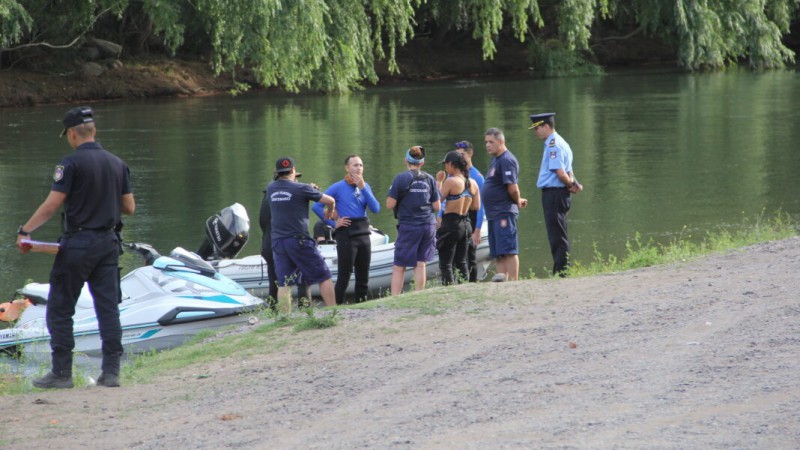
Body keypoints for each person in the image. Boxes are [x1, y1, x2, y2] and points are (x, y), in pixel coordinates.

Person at [16, 106, 135, 389]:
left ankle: (61, 373)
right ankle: (112, 372)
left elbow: (52, 205)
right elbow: (129, 207)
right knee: (108, 309)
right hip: (108, 244)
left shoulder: (69, 165)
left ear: (72, 134)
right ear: (93, 131)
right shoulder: (118, 163)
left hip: (78, 244)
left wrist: (26, 230)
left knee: (60, 308)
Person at [267, 157, 336, 313]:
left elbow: (288, 193)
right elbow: (330, 200)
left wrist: (307, 189)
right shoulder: (302, 189)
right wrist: (330, 210)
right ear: (293, 171)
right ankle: (333, 312)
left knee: (284, 283)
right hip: (299, 241)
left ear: (277, 173)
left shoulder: (271, 188)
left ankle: (285, 319)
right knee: (324, 275)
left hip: (278, 242)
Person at [312, 155, 380, 304]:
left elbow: (375, 208)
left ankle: (361, 306)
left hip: (363, 234)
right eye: (355, 165)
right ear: (347, 168)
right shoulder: (338, 187)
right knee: (344, 275)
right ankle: (336, 308)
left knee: (363, 276)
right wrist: (333, 223)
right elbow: (316, 206)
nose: (359, 168)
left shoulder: (364, 187)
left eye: (361, 165)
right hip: (346, 235)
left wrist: (363, 188)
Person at [530, 112, 583, 276]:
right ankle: (561, 270)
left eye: (537, 128)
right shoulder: (561, 142)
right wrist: (573, 183)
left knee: (557, 236)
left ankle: (562, 272)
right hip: (558, 193)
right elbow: (569, 170)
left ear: (546, 126)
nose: (535, 132)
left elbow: (560, 172)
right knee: (559, 233)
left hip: (554, 194)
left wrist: (569, 185)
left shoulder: (553, 145)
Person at [386, 146, 440, 296]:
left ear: (406, 161)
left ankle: (395, 298)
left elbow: (390, 204)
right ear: (422, 163)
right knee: (420, 262)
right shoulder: (429, 179)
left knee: (399, 265)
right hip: (428, 225)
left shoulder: (401, 178)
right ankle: (419, 295)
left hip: (409, 225)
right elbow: (437, 206)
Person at [480, 127, 527, 282]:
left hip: (504, 212)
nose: (487, 145)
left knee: (509, 249)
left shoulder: (507, 160)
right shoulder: (496, 159)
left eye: (491, 142)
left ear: (501, 142)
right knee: (498, 252)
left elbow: (512, 188)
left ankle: (513, 281)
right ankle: (502, 282)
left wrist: (517, 201)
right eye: (486, 142)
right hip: (494, 213)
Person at [435, 150, 481, 285]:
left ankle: (448, 290)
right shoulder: (473, 183)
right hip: (466, 223)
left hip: (451, 224)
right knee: (462, 261)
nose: (445, 167)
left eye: (446, 164)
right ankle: (464, 288)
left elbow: (437, 203)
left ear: (451, 164)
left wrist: (439, 182)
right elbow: (476, 207)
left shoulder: (451, 181)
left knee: (446, 263)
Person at [453, 140, 486, 282]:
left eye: (463, 155)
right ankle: (458, 282)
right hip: (456, 218)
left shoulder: (477, 177)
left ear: (470, 154)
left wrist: (477, 229)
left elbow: (481, 206)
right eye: (457, 155)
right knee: (456, 255)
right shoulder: (453, 174)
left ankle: (472, 283)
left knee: (470, 255)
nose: (460, 158)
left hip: (471, 217)